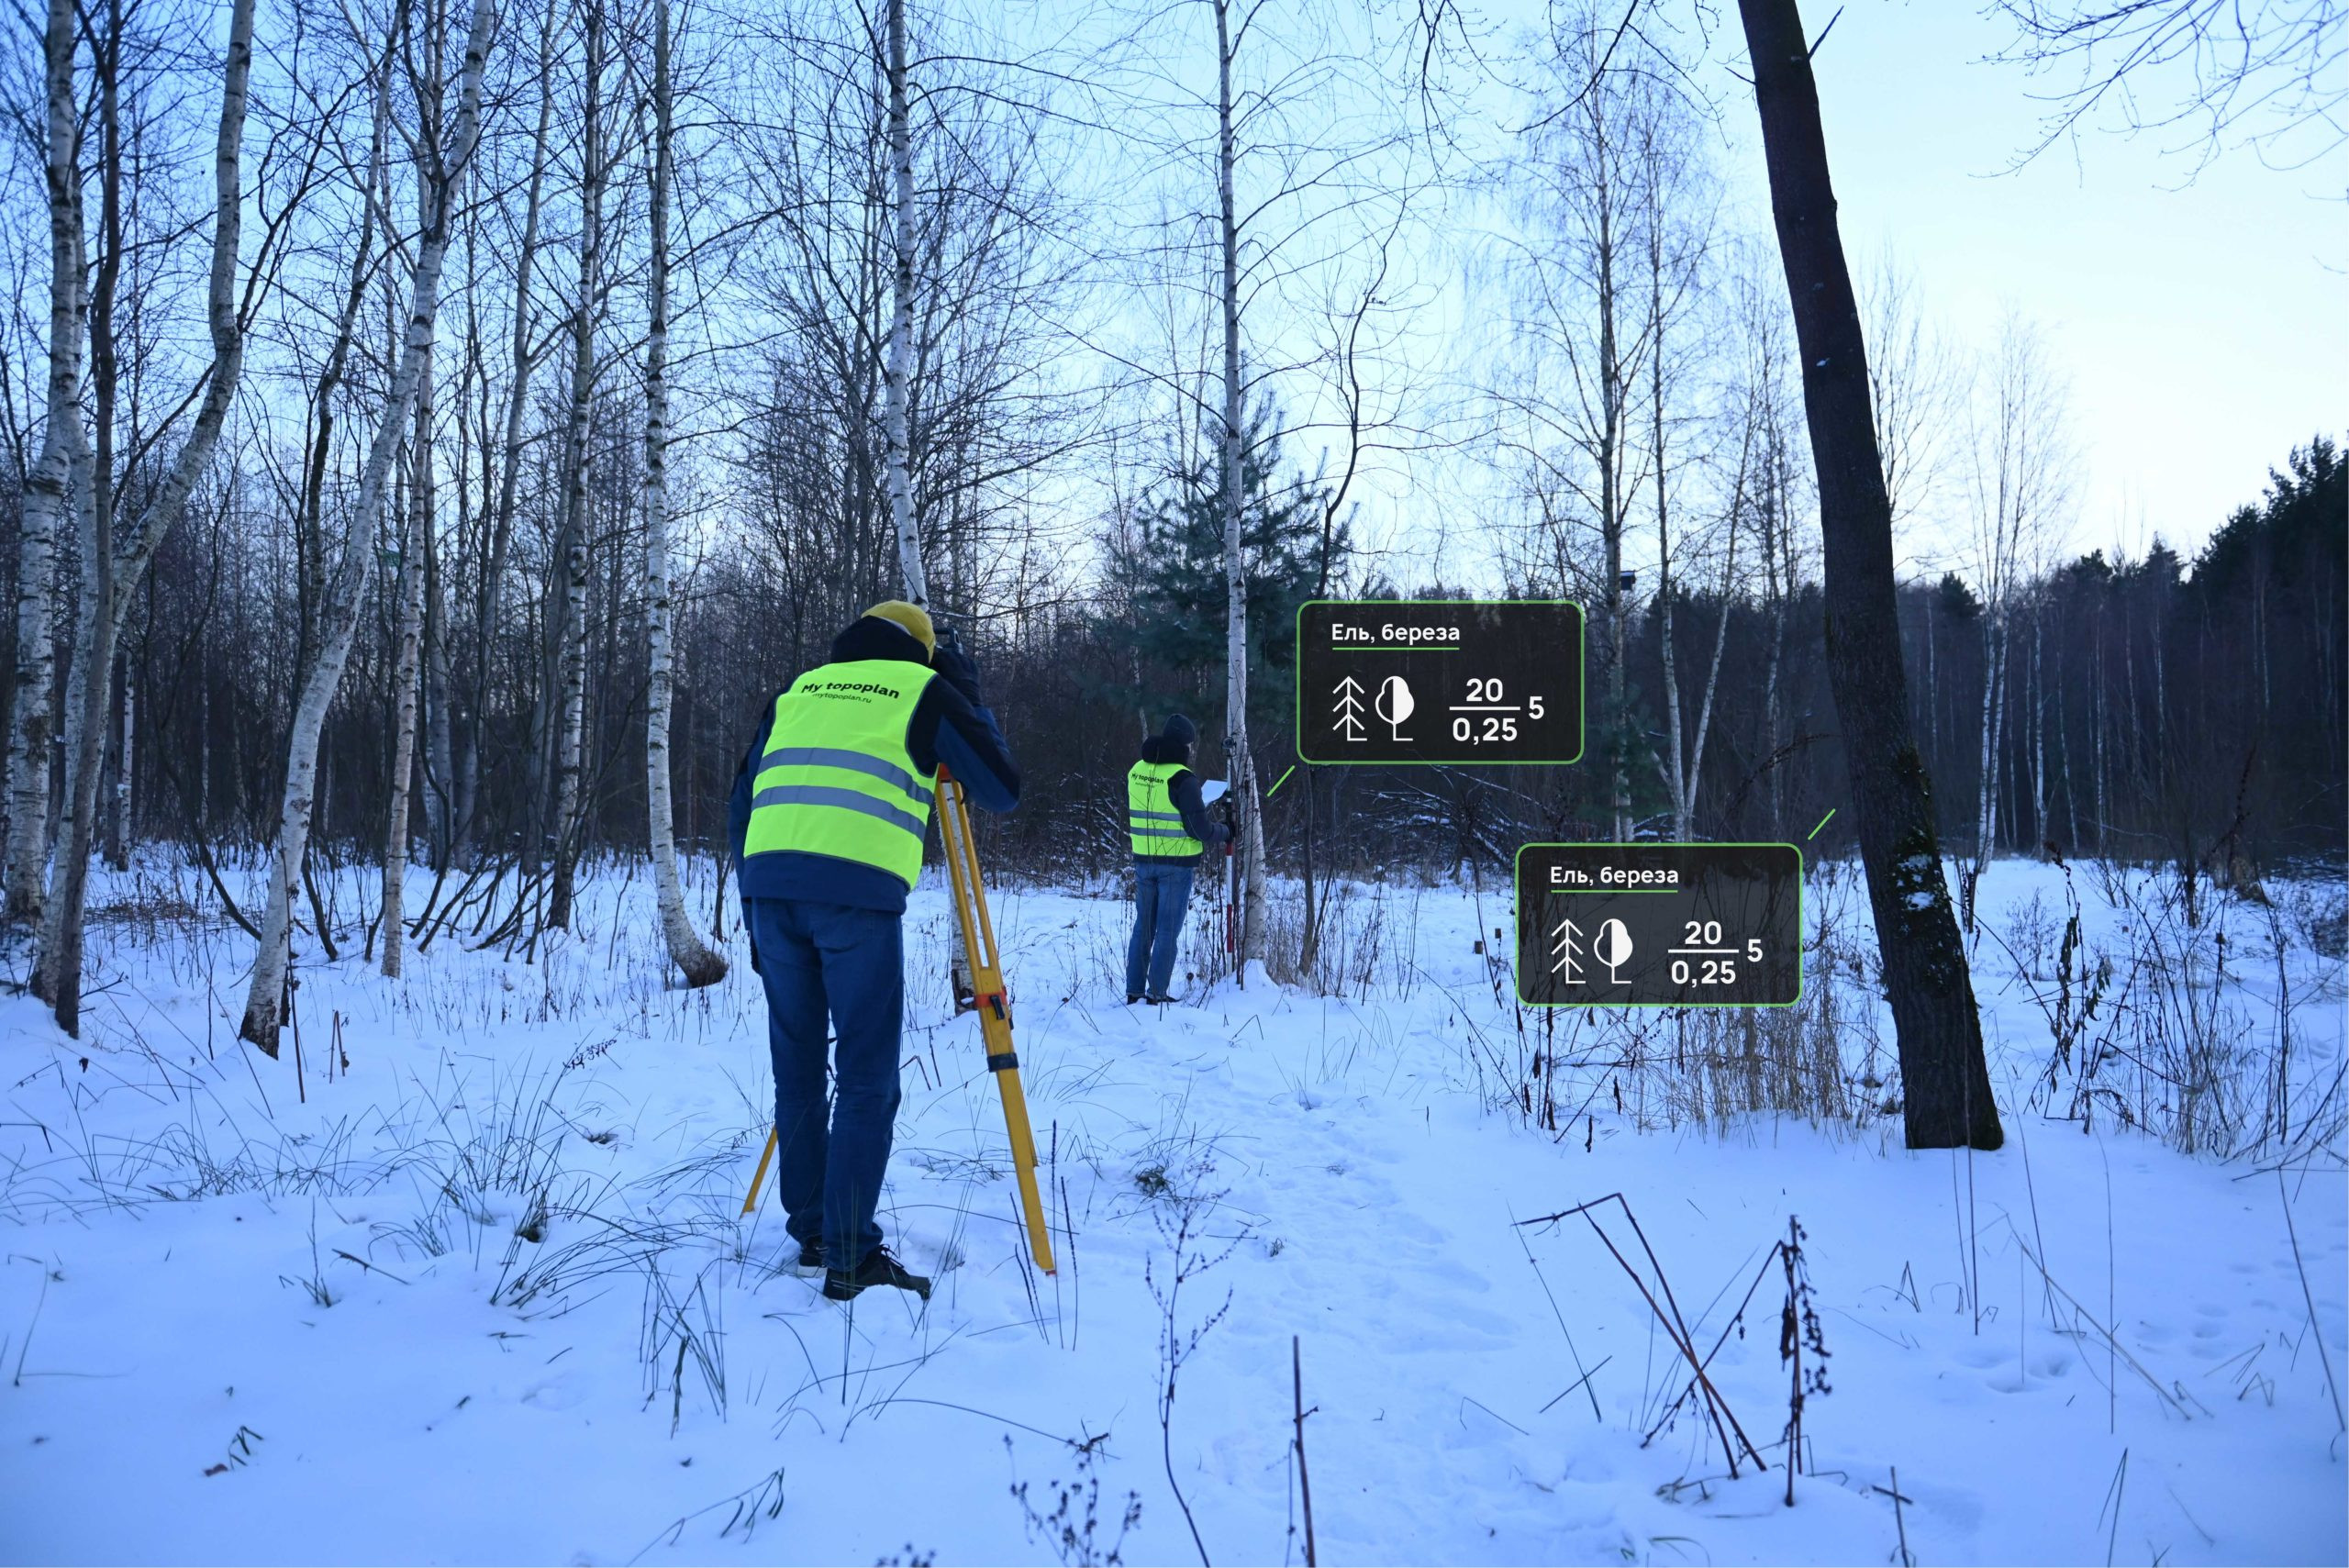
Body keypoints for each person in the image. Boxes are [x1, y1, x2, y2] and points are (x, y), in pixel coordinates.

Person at [727, 600, 1019, 1302]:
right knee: (865, 1077)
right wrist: (967, 693)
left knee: (797, 1070)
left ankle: (815, 1233)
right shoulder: (923, 689)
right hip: (854, 896)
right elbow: (1001, 787)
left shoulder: (798, 691)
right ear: (922, 650)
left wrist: (751, 907)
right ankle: (851, 1255)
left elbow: (742, 801)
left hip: (769, 890)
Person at [1123, 713, 1231, 1005]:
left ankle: (1134, 990)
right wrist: (1226, 830)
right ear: (1185, 746)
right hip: (1176, 864)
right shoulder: (1183, 779)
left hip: (1143, 861)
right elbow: (1200, 830)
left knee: (1143, 927)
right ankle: (1156, 993)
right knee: (1168, 929)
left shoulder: (1136, 770)